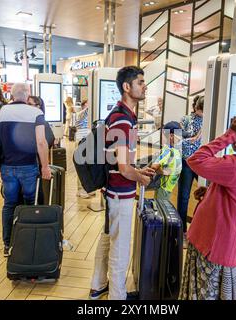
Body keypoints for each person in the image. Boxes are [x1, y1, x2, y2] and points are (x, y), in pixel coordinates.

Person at [179, 115, 236, 300]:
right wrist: (213, 191)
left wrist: (229, 135)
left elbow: (196, 159)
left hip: (216, 246)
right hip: (232, 246)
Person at [89, 66, 155, 300]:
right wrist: (141, 176)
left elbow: (122, 163)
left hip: (112, 190)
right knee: (121, 246)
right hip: (120, 192)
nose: (144, 85)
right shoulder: (122, 120)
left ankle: (98, 285)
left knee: (109, 236)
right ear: (127, 87)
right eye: (140, 82)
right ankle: (118, 296)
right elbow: (125, 169)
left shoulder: (121, 115)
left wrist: (137, 170)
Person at [0, 83, 51, 257]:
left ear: (12, 94)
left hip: (7, 167)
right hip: (29, 167)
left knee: (9, 205)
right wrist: (45, 166)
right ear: (27, 94)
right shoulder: (36, 113)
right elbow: (41, 142)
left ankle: (7, 245)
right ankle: (29, 240)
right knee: (30, 205)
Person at [177, 95, 204, 248]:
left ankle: (199, 231)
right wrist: (190, 137)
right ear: (195, 108)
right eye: (200, 111)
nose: (202, 115)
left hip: (203, 163)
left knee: (207, 195)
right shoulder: (186, 119)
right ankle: (182, 233)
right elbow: (174, 136)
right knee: (184, 197)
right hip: (187, 162)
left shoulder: (210, 119)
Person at [150, 121, 182, 200]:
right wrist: (163, 172)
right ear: (171, 136)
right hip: (163, 189)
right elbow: (154, 166)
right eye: (179, 135)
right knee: (161, 209)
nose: (181, 138)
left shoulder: (175, 150)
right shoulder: (167, 151)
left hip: (168, 189)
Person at [74, 99, 95, 198]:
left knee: (88, 166)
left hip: (89, 141)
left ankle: (87, 187)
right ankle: (81, 189)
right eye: (87, 103)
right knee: (81, 167)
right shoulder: (81, 114)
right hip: (81, 141)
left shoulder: (90, 115)